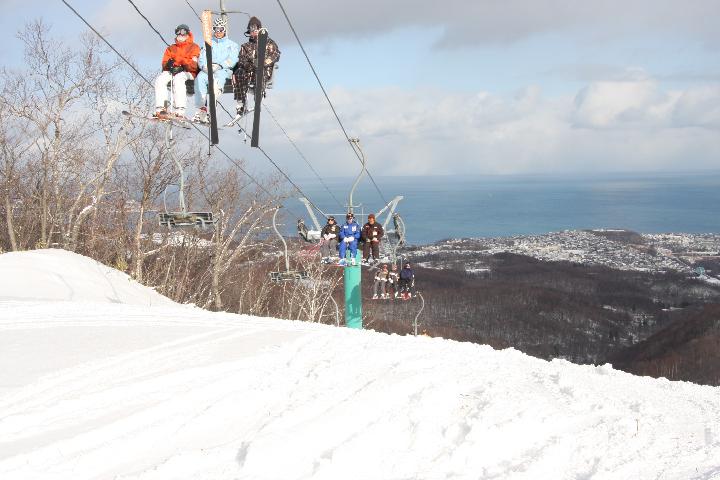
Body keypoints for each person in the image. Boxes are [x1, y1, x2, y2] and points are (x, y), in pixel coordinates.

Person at [193, 16, 240, 123]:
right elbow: (202, 57)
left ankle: (212, 109)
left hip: (223, 70)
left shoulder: (231, 45)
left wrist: (220, 66)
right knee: (200, 78)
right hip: (208, 69)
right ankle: (201, 109)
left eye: (221, 29)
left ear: (224, 30)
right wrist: (204, 66)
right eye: (216, 29)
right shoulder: (208, 44)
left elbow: (233, 59)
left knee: (217, 81)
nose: (218, 32)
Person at [233, 16, 281, 116]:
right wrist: (249, 64)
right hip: (249, 72)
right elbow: (241, 60)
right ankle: (241, 103)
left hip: (263, 71)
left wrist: (264, 62)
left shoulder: (269, 43)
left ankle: (258, 95)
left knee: (259, 71)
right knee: (239, 72)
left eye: (255, 30)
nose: (253, 32)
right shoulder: (245, 46)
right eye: (251, 30)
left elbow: (276, 55)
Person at [153, 24, 200, 120]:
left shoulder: (194, 47)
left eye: (183, 33)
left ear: (187, 34)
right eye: (178, 33)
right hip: (172, 71)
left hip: (188, 72)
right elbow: (164, 63)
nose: (180, 35)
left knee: (179, 79)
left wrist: (182, 64)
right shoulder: (171, 48)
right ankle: (161, 109)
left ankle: (180, 110)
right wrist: (169, 65)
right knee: (160, 79)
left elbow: (194, 65)